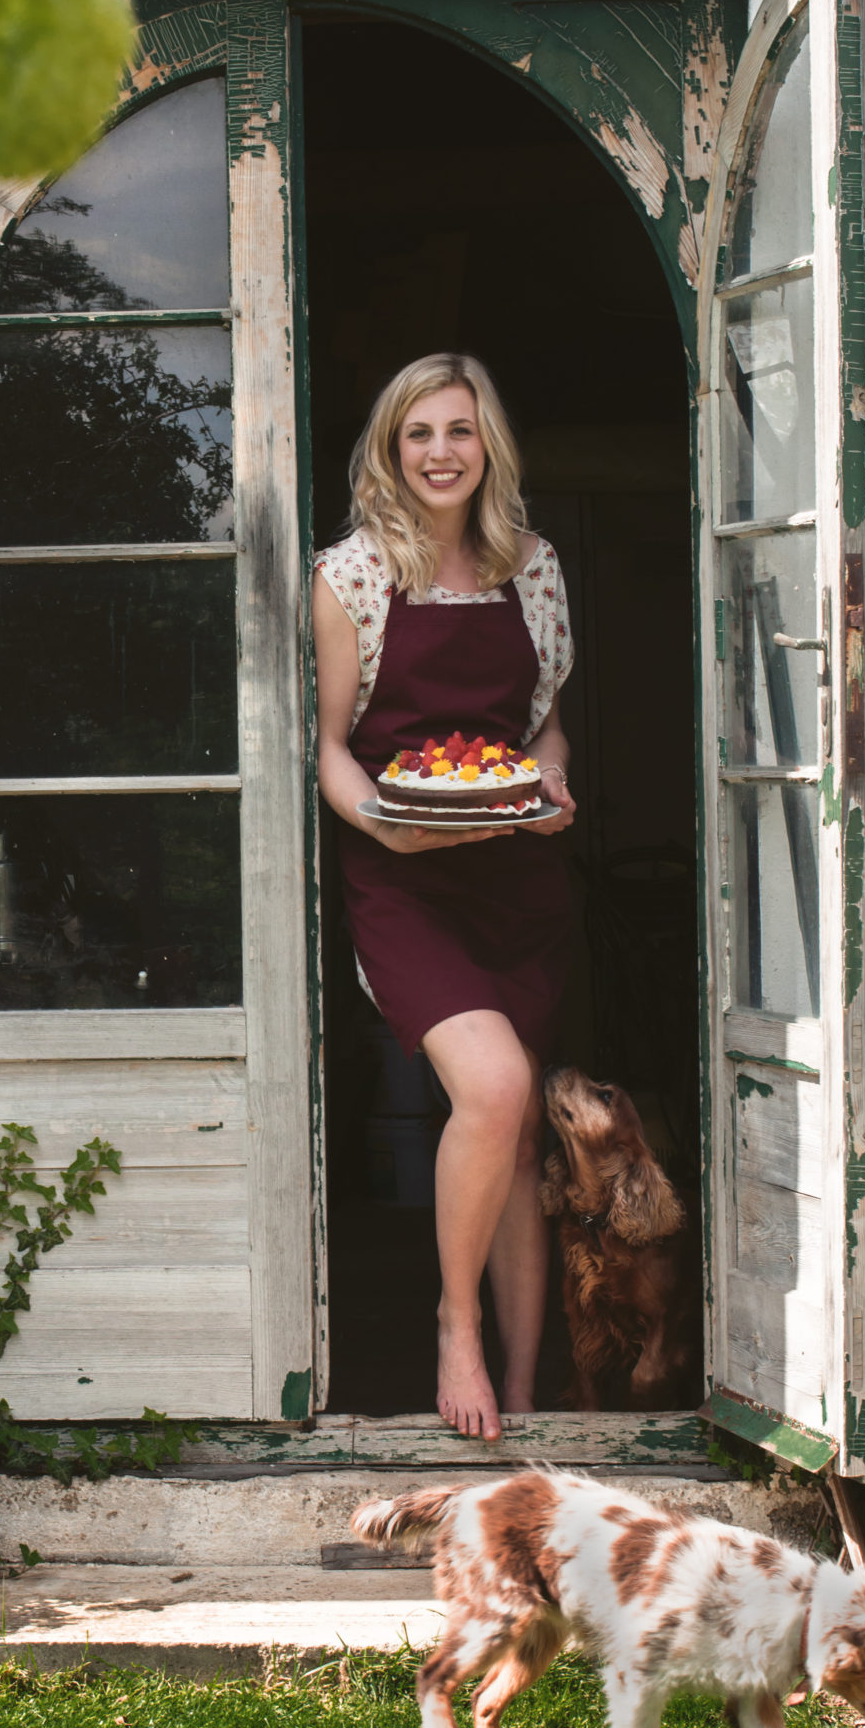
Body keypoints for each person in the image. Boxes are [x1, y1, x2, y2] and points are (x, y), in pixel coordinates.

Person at [312, 352, 576, 1440]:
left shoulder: (533, 566)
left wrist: (551, 782)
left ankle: (524, 1389)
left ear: (487, 445)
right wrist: (384, 826)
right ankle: (454, 1323)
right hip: (403, 875)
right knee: (496, 1082)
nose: (439, 452)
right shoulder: (352, 575)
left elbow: (543, 724)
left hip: (516, 875)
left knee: (515, 1133)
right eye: (418, 432)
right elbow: (331, 746)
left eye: (459, 430)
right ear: (391, 448)